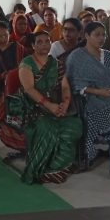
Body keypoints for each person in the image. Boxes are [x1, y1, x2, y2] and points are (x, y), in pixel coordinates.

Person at [66, 21, 110, 183]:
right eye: (97, 35)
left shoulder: (109, 56)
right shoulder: (77, 57)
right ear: (86, 36)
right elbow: (75, 86)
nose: (101, 38)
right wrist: (99, 92)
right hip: (89, 101)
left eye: (103, 35)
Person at [12, 31, 84, 184]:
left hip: (55, 105)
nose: (44, 44)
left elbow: (65, 86)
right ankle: (39, 167)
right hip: (32, 108)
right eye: (39, 42)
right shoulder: (27, 64)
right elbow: (29, 89)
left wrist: (65, 104)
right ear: (33, 45)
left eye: (47, 41)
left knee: (74, 125)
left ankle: (56, 167)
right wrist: (49, 105)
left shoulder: (57, 64)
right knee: (47, 127)